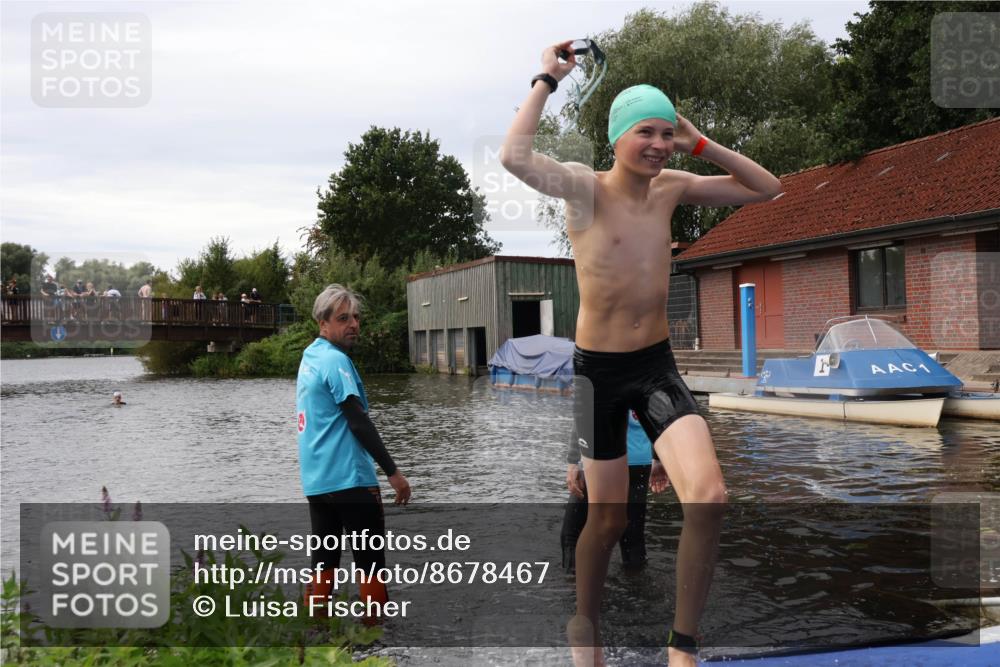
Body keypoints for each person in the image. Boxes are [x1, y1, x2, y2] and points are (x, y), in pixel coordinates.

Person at [501, 43, 782, 666]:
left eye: (664, 132)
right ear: (615, 138)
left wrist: (700, 142)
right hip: (596, 376)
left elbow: (766, 188)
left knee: (708, 496)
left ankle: (683, 642)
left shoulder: (673, 187)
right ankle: (586, 620)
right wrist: (548, 78)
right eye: (643, 132)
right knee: (607, 521)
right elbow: (513, 155)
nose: (657, 144)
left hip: (655, 366)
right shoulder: (583, 190)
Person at [295, 284, 411, 624]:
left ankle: (315, 635)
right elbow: (358, 421)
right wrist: (393, 471)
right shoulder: (336, 361)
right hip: (350, 480)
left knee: (323, 560)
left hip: (318, 483)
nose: (353, 325)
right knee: (371, 564)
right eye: (343, 318)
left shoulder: (310, 357)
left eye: (356, 317)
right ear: (323, 323)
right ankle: (378, 641)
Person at [561, 411, 670, 575]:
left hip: (602, 458)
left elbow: (584, 415)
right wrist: (658, 458)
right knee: (632, 537)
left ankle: (574, 587)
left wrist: (572, 461)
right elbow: (661, 419)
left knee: (572, 534)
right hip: (640, 463)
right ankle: (635, 591)